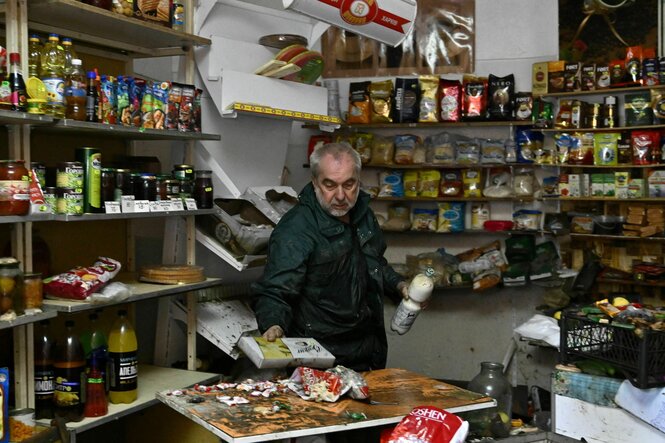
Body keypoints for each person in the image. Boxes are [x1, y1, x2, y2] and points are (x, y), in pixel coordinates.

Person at [252, 142, 408, 372]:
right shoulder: (296, 229)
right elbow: (275, 290)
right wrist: (273, 323)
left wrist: (399, 285)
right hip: (319, 357)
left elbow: (373, 263)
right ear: (315, 182)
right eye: (330, 185)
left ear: (358, 180)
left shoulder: (362, 214)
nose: (341, 196)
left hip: (367, 350)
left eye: (349, 184)